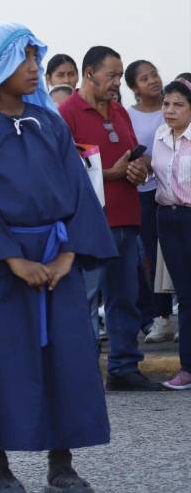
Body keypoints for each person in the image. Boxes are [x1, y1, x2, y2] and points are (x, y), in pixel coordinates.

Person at [0, 23, 115, 493]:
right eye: (24, 59)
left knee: (65, 361)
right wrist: (11, 259)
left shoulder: (50, 123)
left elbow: (79, 191)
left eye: (36, 57)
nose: (34, 68)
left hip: (56, 259)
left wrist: (67, 255)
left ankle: (61, 466)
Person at [59, 47, 163, 391]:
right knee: (87, 300)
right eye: (112, 75)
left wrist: (138, 167)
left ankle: (123, 367)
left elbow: (138, 152)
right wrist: (109, 173)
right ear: (90, 74)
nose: (117, 82)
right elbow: (64, 168)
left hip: (127, 216)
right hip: (91, 221)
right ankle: (84, 372)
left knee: (125, 296)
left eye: (120, 76)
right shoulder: (68, 112)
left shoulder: (119, 110)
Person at [124, 61, 175, 343]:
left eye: (154, 74)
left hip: (175, 191)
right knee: (153, 259)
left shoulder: (174, 106)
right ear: (134, 88)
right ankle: (162, 317)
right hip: (145, 192)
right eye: (144, 78)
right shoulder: (128, 115)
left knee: (179, 254)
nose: (153, 80)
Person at [152, 77, 191, 390]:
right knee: (185, 297)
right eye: (166, 104)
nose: (170, 110)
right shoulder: (161, 136)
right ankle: (187, 368)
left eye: (179, 105)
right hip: (169, 219)